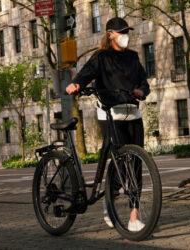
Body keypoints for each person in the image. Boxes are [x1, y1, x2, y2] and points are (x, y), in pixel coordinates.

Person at [66, 17, 150, 232]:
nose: (125, 36)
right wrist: (76, 84)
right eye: (121, 32)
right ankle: (109, 203)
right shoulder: (101, 57)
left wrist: (142, 90)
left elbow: (143, 81)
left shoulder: (132, 57)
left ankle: (134, 217)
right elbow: (86, 74)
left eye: (126, 32)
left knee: (137, 164)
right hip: (109, 113)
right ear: (110, 35)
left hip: (132, 113)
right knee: (120, 163)